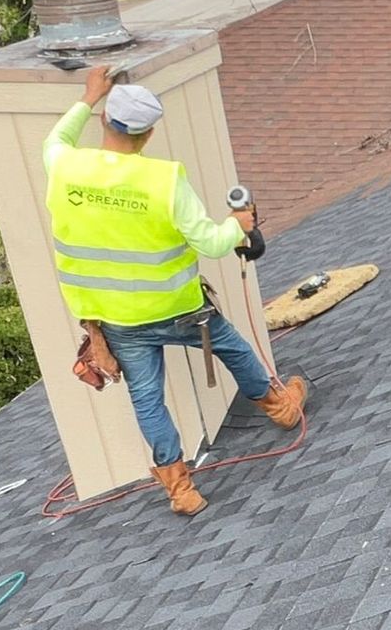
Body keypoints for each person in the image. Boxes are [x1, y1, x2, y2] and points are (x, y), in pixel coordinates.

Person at [43, 63, 307, 517]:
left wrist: (89, 95)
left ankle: (180, 489)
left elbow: (56, 138)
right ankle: (280, 408)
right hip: (179, 309)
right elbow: (209, 240)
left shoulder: (66, 165)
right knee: (235, 349)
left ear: (105, 120)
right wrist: (238, 225)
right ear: (147, 136)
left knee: (147, 399)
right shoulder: (163, 180)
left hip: (117, 319)